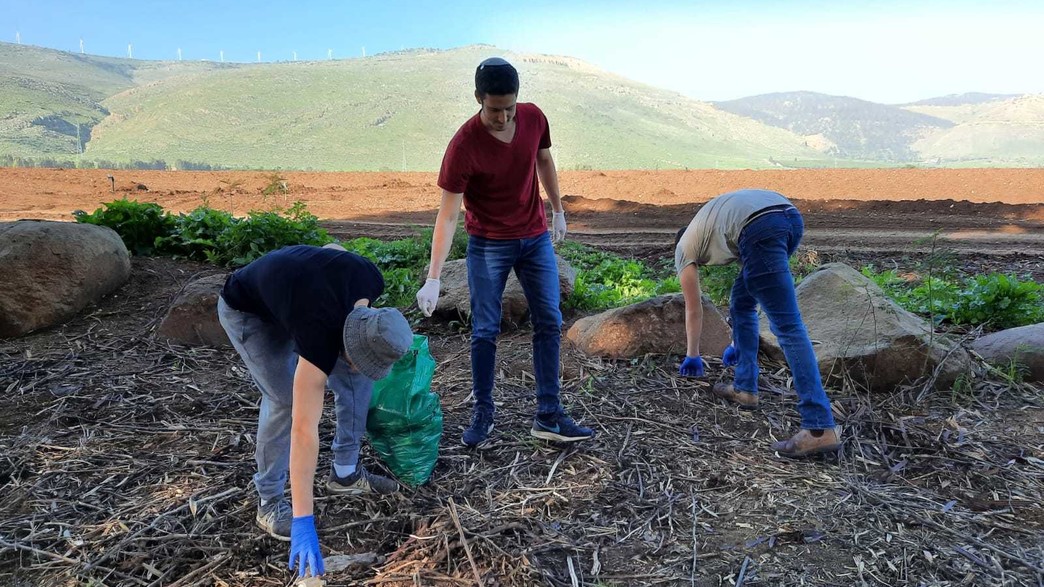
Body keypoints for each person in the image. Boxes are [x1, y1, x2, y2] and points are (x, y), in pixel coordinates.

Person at [415, 57, 594, 447]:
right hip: (488, 245)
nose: (503, 117)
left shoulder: (533, 118)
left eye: (509, 108)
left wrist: (558, 209)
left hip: (534, 239)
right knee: (484, 329)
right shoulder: (463, 146)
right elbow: (447, 217)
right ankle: (483, 414)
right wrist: (433, 278)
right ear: (479, 99)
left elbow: (544, 159)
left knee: (549, 320)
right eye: (495, 109)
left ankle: (549, 414)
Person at [217, 243, 412, 579]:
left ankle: (345, 471)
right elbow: (304, 431)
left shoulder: (369, 278)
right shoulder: (319, 332)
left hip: (293, 298)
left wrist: (356, 360)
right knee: (285, 399)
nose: (354, 362)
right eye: (354, 355)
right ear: (343, 341)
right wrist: (304, 520)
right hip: (248, 310)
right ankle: (269, 501)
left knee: (357, 377)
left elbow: (332, 249)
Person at [674, 189, 841, 457]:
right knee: (741, 302)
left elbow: (694, 308)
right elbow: (753, 261)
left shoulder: (683, 248)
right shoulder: (711, 227)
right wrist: (734, 343)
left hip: (759, 226)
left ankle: (819, 427)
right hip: (788, 217)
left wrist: (692, 355)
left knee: (788, 327)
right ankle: (745, 388)